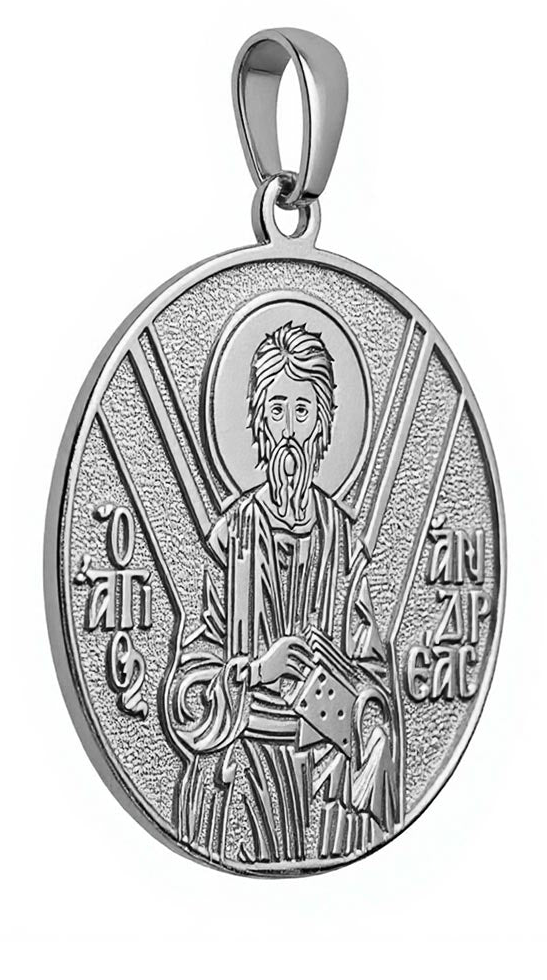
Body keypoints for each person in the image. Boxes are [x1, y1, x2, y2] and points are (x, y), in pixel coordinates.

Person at [165, 321, 399, 865]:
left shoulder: (342, 540)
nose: (289, 431)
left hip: (321, 767)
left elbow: (375, 672)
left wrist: (353, 695)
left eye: (302, 411)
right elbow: (191, 677)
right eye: (276, 410)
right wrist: (255, 671)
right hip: (244, 768)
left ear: (323, 425)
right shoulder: (234, 537)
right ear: (258, 424)